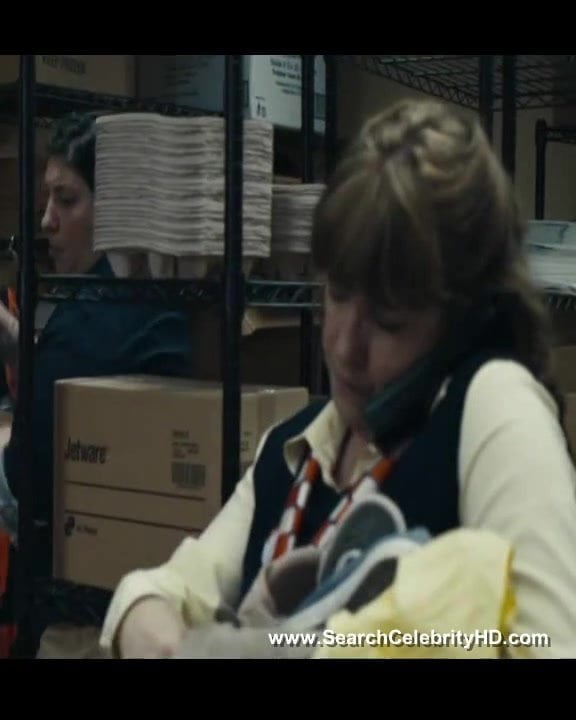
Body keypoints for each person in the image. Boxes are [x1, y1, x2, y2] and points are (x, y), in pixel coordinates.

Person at [101, 98, 576, 659]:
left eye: (389, 320)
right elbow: (159, 591)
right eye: (339, 293)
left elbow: (549, 646)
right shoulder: (292, 448)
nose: (345, 346)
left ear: (464, 318)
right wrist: (156, 629)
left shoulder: (493, 403)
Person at [0, 112, 193, 653]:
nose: (47, 220)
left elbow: (22, 486)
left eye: (66, 200)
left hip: (81, 615)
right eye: (48, 200)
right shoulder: (161, 303)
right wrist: (18, 346)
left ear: (116, 209)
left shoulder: (92, 321)